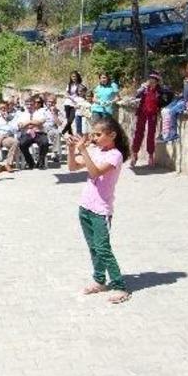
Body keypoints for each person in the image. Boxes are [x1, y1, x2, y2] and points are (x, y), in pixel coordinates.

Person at [67, 116, 132, 305]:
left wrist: (83, 150)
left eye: (98, 134)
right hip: (85, 206)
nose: (94, 138)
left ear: (112, 135)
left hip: (101, 210)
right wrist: (72, 149)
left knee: (103, 248)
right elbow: (72, 167)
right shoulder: (96, 150)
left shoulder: (115, 155)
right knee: (93, 248)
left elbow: (95, 172)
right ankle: (99, 280)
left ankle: (120, 285)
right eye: (93, 134)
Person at [131, 72, 168, 167]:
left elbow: (167, 96)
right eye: (150, 80)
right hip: (142, 113)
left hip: (153, 114)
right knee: (139, 133)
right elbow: (136, 95)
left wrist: (161, 105)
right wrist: (142, 88)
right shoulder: (144, 89)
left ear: (157, 82)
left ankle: (151, 155)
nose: (151, 83)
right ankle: (135, 153)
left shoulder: (159, 91)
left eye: (154, 81)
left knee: (151, 134)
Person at [17, 97, 50, 170]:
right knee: (22, 144)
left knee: (45, 143)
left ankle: (40, 162)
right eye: (27, 104)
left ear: (34, 104)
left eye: (31, 104)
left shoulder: (41, 112)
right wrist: (33, 122)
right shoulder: (22, 114)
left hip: (39, 133)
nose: (29, 106)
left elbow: (40, 122)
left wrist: (27, 122)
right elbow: (20, 125)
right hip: (27, 133)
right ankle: (30, 162)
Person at [62, 71, 87, 135]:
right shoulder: (69, 85)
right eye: (73, 76)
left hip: (75, 104)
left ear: (77, 77)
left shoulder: (80, 85)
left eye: (75, 76)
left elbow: (84, 92)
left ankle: (63, 131)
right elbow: (66, 93)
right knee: (68, 120)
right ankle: (70, 133)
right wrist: (71, 98)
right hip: (68, 103)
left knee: (71, 120)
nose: (74, 78)